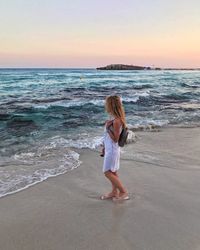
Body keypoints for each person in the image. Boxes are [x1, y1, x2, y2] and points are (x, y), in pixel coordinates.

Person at [100, 95, 129, 201]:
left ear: (111, 105)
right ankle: (114, 192)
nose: (105, 106)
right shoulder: (114, 119)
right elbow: (107, 137)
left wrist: (108, 128)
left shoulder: (117, 121)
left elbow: (115, 139)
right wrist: (104, 147)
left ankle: (123, 192)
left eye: (107, 104)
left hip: (112, 150)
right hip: (110, 149)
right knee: (113, 171)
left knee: (107, 172)